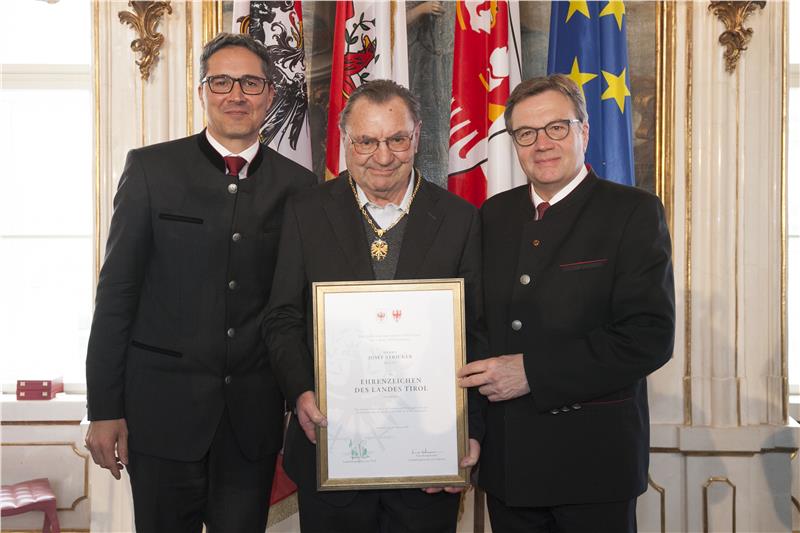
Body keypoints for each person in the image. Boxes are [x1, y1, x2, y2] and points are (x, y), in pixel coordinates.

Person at [84, 32, 316, 533]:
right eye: (222, 82)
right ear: (202, 92)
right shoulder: (151, 169)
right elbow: (117, 295)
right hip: (160, 416)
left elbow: (299, 308)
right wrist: (103, 409)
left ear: (270, 95)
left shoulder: (300, 188)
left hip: (251, 422)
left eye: (251, 83)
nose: (237, 95)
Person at [264, 79, 486, 533]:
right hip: (331, 447)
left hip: (429, 459)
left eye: (396, 139)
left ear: (417, 137)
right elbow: (282, 317)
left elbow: (477, 332)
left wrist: (470, 429)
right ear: (345, 140)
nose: (382, 157)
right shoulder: (305, 212)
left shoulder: (460, 218)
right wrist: (301, 391)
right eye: (366, 141)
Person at [458, 74, 675, 532]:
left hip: (593, 465)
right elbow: (474, 326)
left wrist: (533, 373)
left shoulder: (632, 212)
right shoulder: (494, 215)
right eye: (526, 133)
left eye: (557, 127)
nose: (542, 144)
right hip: (509, 464)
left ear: (584, 131)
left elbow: (649, 338)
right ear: (514, 143)